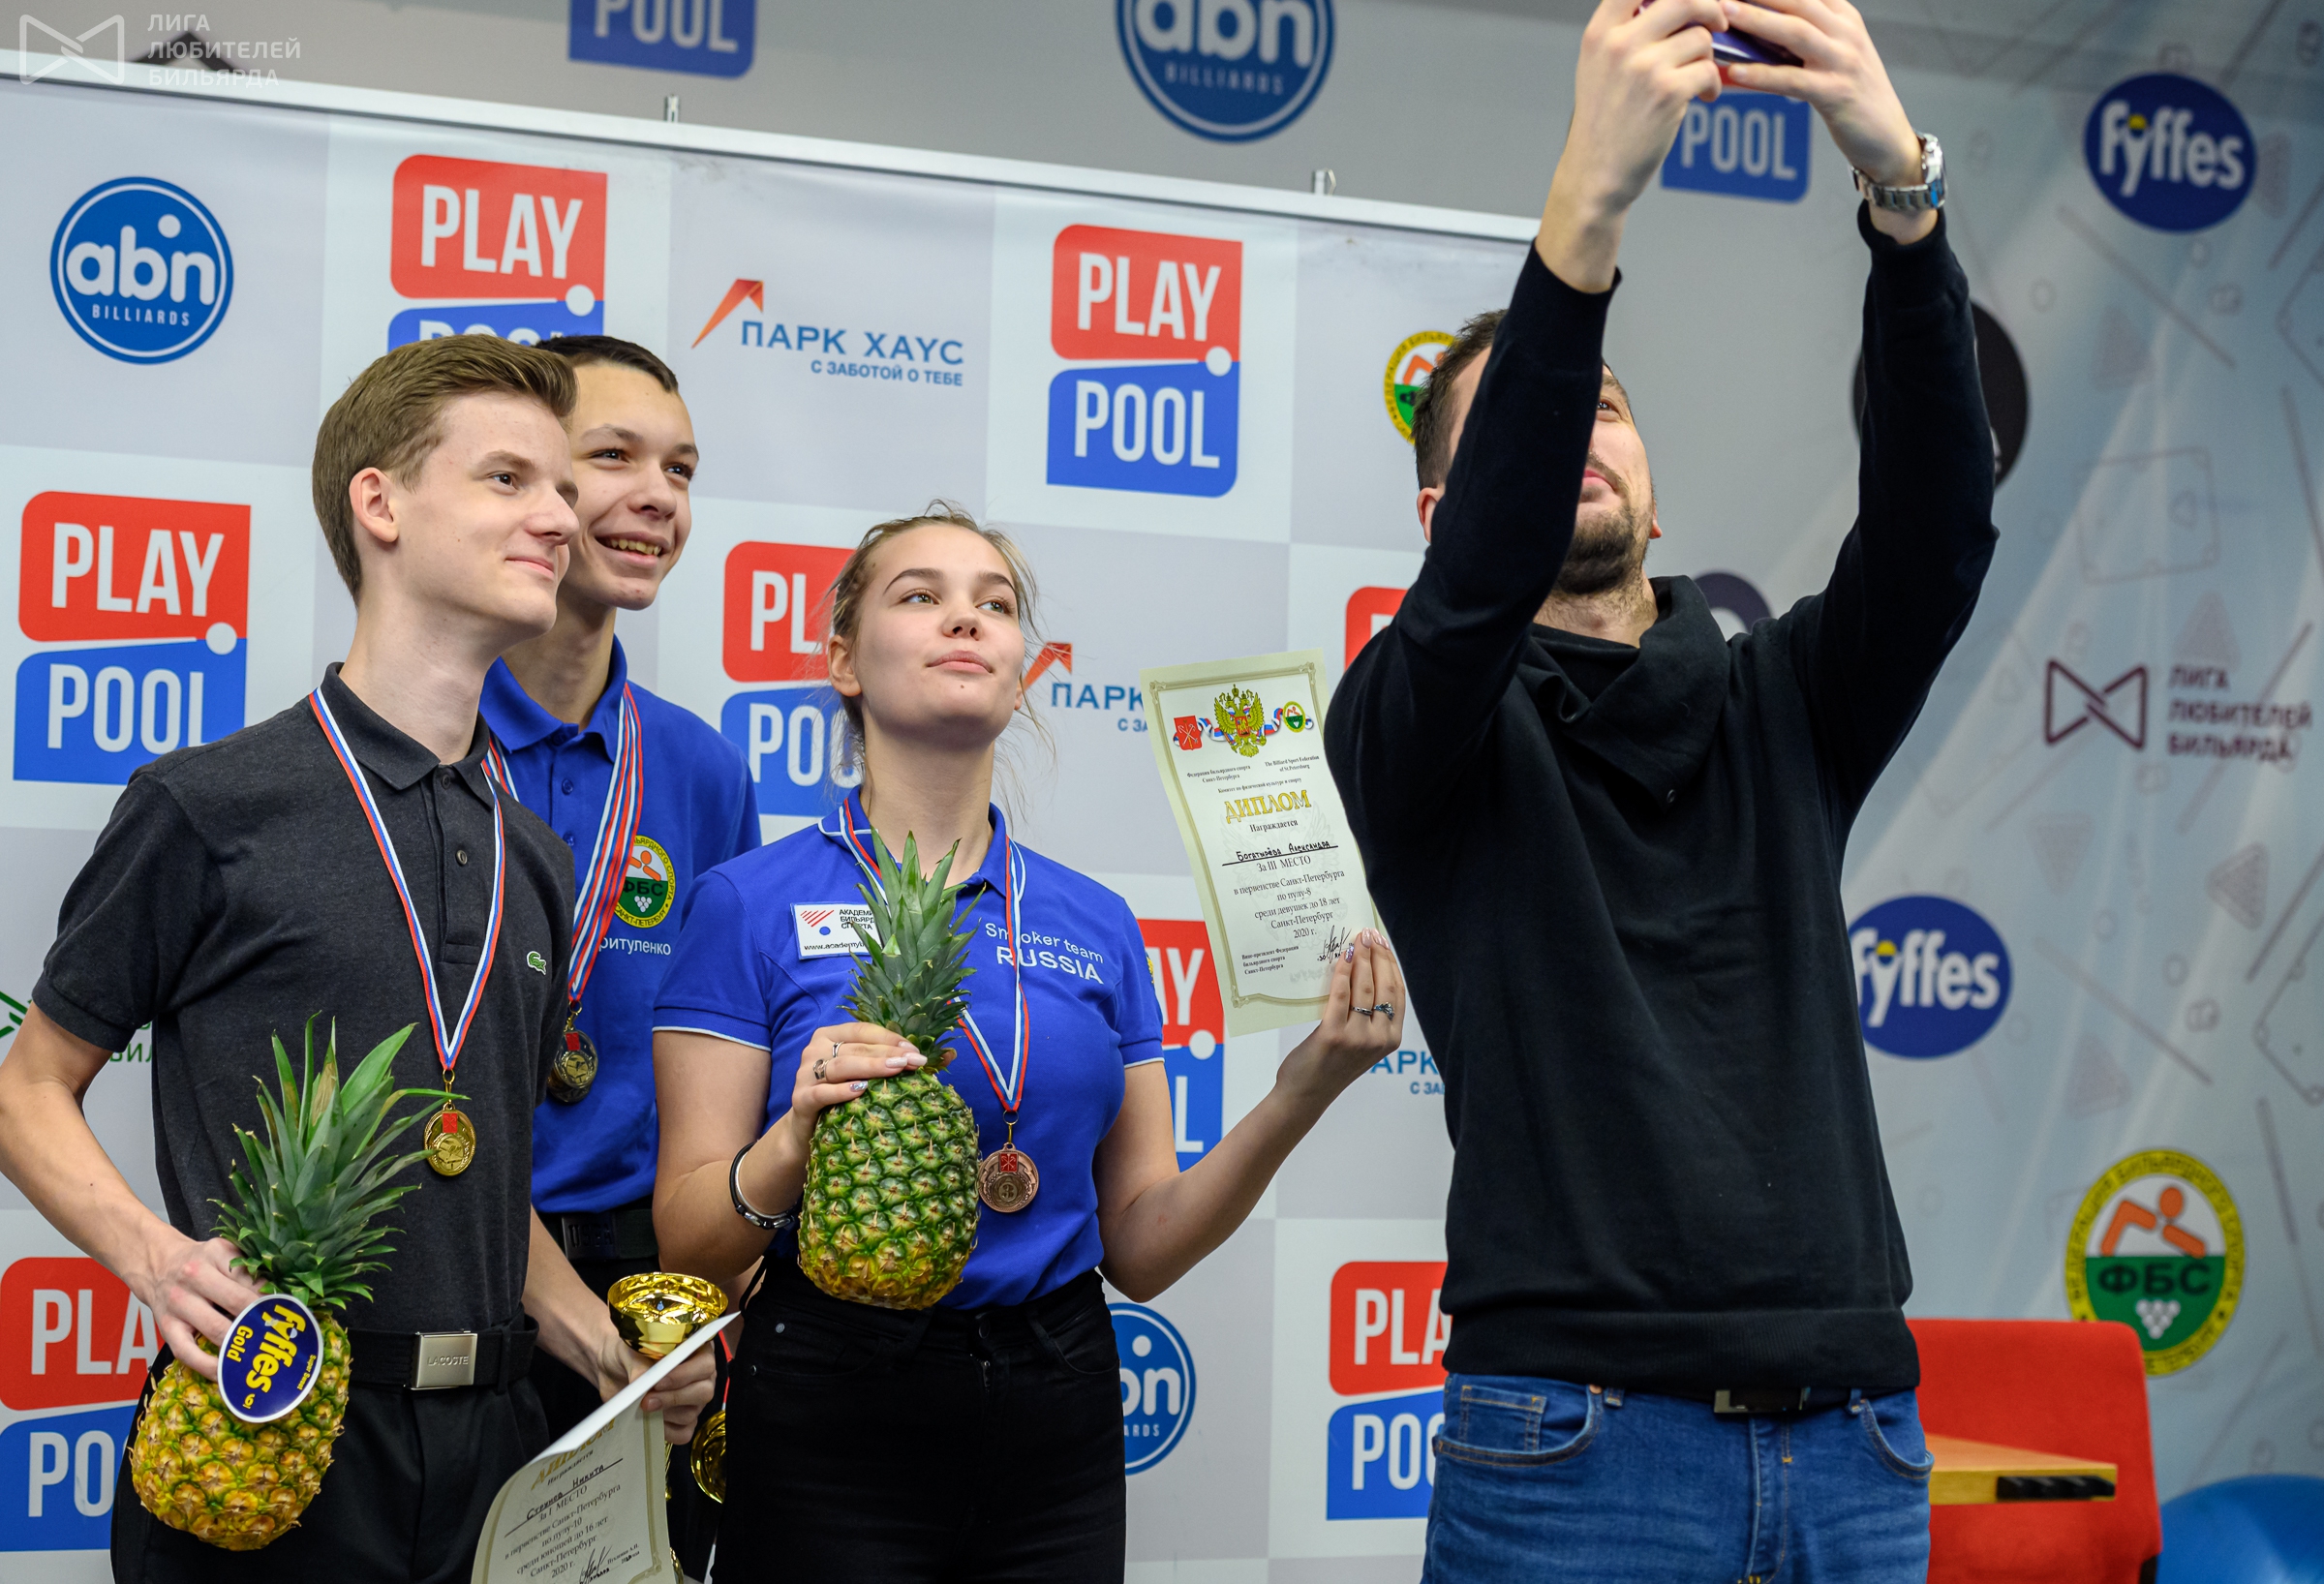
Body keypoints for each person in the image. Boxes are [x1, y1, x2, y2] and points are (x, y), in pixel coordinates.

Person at [1325, 0, 1995, 1577]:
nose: (1581, 427)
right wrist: (1589, 208)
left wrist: (1905, 205)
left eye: (1605, 406)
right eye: (1535, 417)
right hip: (1573, 1444)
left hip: (1855, 1441)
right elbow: (1478, 588)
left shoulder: (1786, 696)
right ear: (1444, 510)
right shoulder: (1413, 728)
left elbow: (1938, 528)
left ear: (1656, 480)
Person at [0, 335, 714, 1584]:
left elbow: (479, 1178)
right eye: (510, 480)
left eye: (562, 488)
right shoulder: (210, 804)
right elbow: (28, 1085)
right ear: (379, 504)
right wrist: (154, 1258)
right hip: (264, 1429)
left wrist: (604, 1348)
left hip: (498, 1456)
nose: (561, 518)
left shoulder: (539, 858)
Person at [651, 505, 1406, 1583]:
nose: (965, 618)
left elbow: (1141, 1248)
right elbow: (688, 1243)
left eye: (995, 604)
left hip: (1059, 1396)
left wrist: (1304, 1088)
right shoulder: (749, 902)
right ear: (843, 661)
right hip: (831, 1393)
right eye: (920, 595)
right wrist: (792, 1140)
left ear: (1021, 676)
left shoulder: (1098, 921)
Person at [478, 336, 756, 1448]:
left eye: (680, 469)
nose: (658, 496)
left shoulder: (702, 770)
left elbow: (732, 1064)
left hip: (643, 1292)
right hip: (433, 1261)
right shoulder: (411, 746)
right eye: (614, 456)